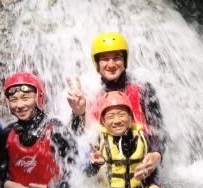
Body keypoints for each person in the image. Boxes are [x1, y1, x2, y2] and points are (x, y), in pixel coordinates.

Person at [67, 32, 168, 180]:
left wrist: (157, 154)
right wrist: (78, 112)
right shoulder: (89, 92)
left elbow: (159, 130)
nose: (111, 64)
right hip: (103, 173)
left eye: (117, 58)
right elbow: (76, 137)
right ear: (97, 63)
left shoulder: (143, 89)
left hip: (141, 172)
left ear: (125, 60)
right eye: (105, 59)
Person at [0, 72, 78, 188]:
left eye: (25, 98)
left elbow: (77, 172)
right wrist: (6, 183)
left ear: (38, 98)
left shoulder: (55, 130)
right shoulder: (7, 133)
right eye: (13, 100)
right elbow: (1, 165)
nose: (19, 105)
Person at [88, 91, 167, 188]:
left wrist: (153, 184)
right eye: (110, 117)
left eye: (122, 115)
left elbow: (151, 169)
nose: (117, 121)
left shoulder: (142, 138)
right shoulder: (98, 141)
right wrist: (94, 165)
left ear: (130, 117)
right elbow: (86, 174)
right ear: (103, 121)